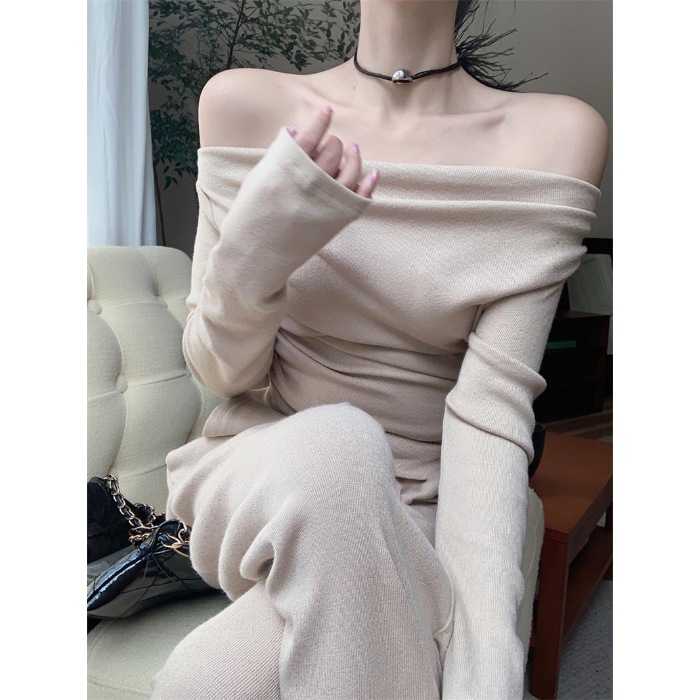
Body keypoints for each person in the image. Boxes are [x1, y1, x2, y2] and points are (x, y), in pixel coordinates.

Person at [150, 1, 609, 698]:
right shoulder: (243, 104)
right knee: (337, 445)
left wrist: (485, 670)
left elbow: (490, 416)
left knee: (201, 683)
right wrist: (258, 252)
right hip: (259, 468)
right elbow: (222, 374)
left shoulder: (554, 137)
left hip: (416, 500)